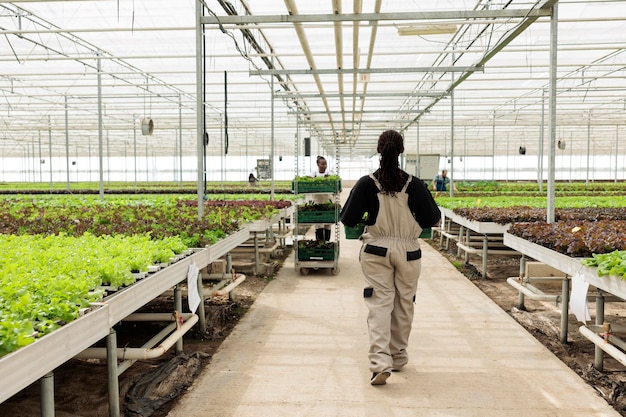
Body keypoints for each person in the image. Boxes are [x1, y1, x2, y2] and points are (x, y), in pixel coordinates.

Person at [340, 130, 440, 386]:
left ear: (378, 150)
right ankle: (398, 356)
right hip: (409, 252)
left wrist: (368, 218)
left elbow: (348, 219)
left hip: (377, 251)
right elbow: (432, 219)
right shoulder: (414, 184)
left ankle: (379, 364)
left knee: (379, 304)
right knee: (405, 303)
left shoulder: (367, 183)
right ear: (402, 151)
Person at [310, 156, 333, 241]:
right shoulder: (313, 174)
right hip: (317, 202)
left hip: (328, 202)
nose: (324, 166)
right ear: (318, 164)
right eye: (322, 164)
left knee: (327, 224)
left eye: (325, 164)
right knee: (319, 224)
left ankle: (327, 243)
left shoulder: (330, 174)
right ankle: (319, 243)